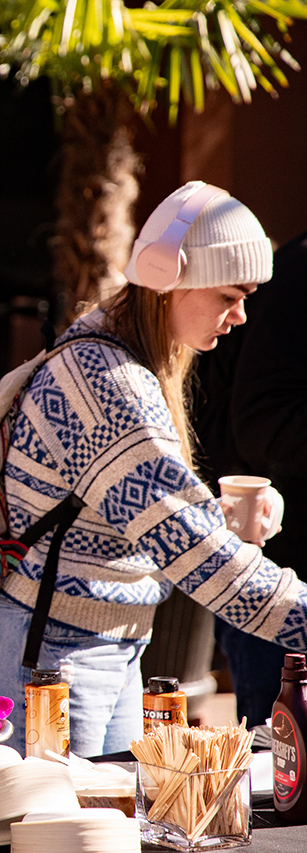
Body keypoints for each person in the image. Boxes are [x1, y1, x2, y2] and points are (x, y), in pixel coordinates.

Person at [0, 181, 307, 757]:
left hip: (89, 648)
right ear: (171, 279)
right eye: (228, 295)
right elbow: (206, 564)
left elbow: (133, 517)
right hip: (46, 659)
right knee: (52, 842)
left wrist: (216, 518)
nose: (241, 316)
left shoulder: (113, 351)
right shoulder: (109, 385)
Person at [194, 229, 307, 726]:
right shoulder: (297, 279)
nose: (237, 314)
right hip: (270, 570)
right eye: (231, 300)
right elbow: (262, 420)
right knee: (276, 771)